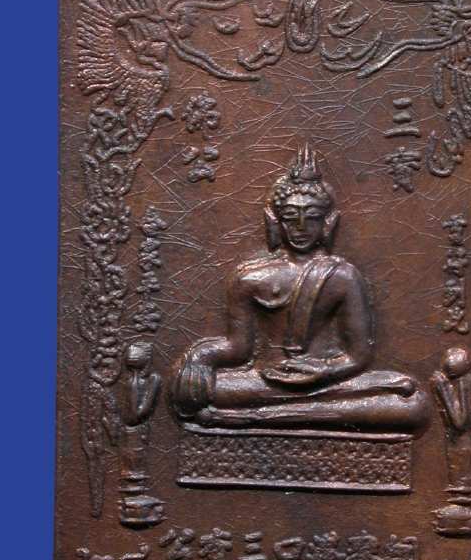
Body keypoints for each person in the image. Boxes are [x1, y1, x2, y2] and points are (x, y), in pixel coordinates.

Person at [170, 144, 430, 434]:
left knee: (410, 401)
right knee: (191, 389)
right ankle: (289, 415)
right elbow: (238, 350)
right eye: (291, 218)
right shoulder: (250, 278)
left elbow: (359, 355)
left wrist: (324, 370)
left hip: (329, 383)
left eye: (312, 216)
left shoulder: (343, 276)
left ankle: (257, 419)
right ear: (275, 222)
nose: (301, 227)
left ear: (329, 223)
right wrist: (201, 356)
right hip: (265, 382)